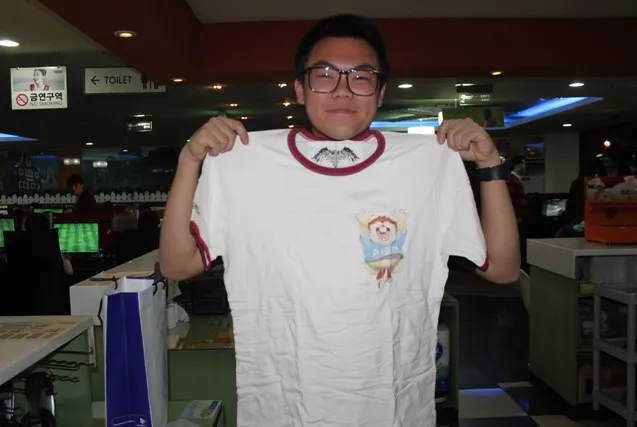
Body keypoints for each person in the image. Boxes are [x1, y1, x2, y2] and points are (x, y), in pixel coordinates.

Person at [160, 14, 519, 427]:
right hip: (283, 410)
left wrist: (490, 165)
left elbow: (504, 269)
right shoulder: (243, 165)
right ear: (300, 88)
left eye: (361, 77)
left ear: (380, 92)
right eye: (325, 75)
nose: (343, 90)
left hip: (391, 409)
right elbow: (176, 265)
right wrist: (189, 160)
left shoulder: (426, 167)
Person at [507, 155, 528, 222]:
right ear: (516, 165)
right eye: (523, 164)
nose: (524, 166)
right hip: (516, 218)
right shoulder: (512, 180)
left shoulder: (514, 179)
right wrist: (518, 217)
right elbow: (512, 199)